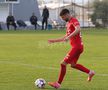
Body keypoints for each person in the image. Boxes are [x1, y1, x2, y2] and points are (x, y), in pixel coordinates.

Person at [48, 9, 95, 89]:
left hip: (77, 47)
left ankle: (58, 84)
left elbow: (78, 29)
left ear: (67, 14)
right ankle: (90, 72)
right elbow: (65, 37)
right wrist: (54, 41)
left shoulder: (73, 20)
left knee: (63, 64)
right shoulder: (69, 23)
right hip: (78, 47)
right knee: (73, 65)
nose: (63, 19)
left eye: (63, 17)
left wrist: (69, 37)